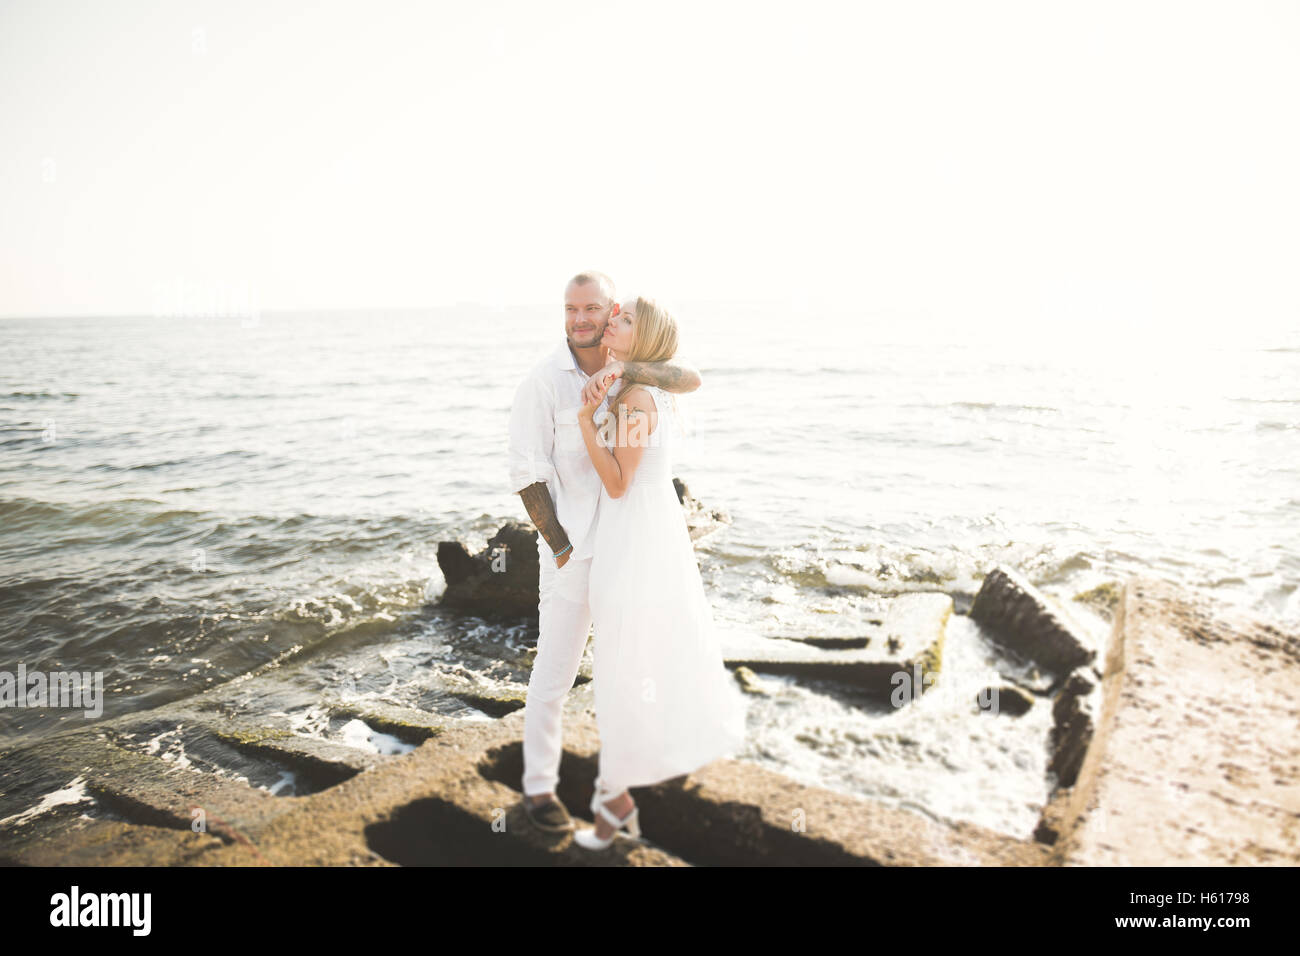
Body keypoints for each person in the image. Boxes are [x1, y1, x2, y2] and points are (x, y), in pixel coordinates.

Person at [507, 271, 703, 834]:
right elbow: (526, 475)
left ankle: (631, 779)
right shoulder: (543, 381)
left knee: (632, 664)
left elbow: (689, 377)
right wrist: (562, 549)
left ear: (610, 310)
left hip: (626, 547)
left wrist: (625, 370)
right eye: (571, 309)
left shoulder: (629, 372)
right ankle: (541, 788)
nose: (581, 319)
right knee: (555, 674)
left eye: (593, 308)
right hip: (576, 551)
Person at [571, 294, 746, 850]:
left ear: (640, 338)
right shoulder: (639, 387)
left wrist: (583, 421)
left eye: (623, 320)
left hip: (634, 531)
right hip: (644, 528)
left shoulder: (639, 397)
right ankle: (618, 792)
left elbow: (619, 481)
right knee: (629, 655)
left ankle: (615, 801)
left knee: (623, 657)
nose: (610, 322)